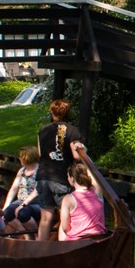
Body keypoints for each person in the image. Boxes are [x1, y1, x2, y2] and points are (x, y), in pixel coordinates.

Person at [35, 99, 86, 240]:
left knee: (45, 218)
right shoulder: (72, 131)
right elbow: (76, 155)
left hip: (43, 176)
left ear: (52, 113)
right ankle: (63, 249)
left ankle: (40, 250)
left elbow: (40, 154)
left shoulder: (43, 130)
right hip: (61, 178)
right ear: (68, 113)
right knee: (66, 217)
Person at [59, 163, 106, 241]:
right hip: (98, 239)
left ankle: (61, 251)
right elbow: (94, 175)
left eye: (68, 176)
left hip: (77, 243)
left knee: (61, 226)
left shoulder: (68, 199)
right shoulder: (97, 191)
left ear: (72, 179)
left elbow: (65, 228)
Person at [2, 146, 41, 233]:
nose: (19, 158)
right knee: (7, 213)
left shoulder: (40, 171)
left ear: (26, 158)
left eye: (21, 157)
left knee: (22, 213)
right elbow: (14, 189)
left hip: (36, 202)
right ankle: (25, 234)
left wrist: (22, 205)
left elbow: (37, 191)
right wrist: (6, 206)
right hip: (21, 201)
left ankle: (36, 234)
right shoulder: (22, 170)